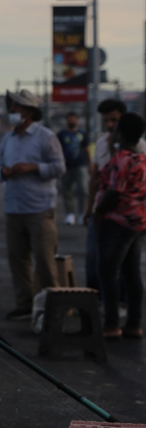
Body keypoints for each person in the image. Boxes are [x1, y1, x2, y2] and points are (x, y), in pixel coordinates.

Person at [0, 89, 65, 320]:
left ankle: (53, 307)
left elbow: (59, 167)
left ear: (30, 112)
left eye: (18, 107)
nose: (13, 111)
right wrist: (3, 171)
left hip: (40, 208)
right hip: (14, 207)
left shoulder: (45, 137)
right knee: (18, 259)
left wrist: (32, 167)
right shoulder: (8, 138)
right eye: (12, 106)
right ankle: (25, 304)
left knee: (44, 260)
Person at [92, 112, 146, 339]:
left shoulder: (122, 159)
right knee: (131, 272)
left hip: (118, 222)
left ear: (121, 133)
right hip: (138, 222)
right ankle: (133, 324)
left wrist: (98, 211)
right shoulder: (142, 158)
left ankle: (112, 324)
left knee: (108, 270)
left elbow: (115, 191)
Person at [84, 99, 146, 291]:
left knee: (124, 267)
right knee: (94, 259)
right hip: (102, 210)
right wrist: (90, 208)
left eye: (114, 121)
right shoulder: (101, 143)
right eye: (106, 121)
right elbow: (95, 177)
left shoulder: (140, 147)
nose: (110, 125)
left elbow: (119, 186)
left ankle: (120, 308)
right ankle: (99, 303)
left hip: (127, 216)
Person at [57, 112, 90, 226]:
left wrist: (90, 164)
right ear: (67, 120)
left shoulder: (82, 134)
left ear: (77, 120)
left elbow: (86, 149)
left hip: (80, 165)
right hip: (66, 166)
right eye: (70, 119)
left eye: (74, 119)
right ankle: (70, 214)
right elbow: (57, 150)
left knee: (83, 190)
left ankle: (82, 213)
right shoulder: (61, 134)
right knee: (67, 190)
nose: (72, 121)